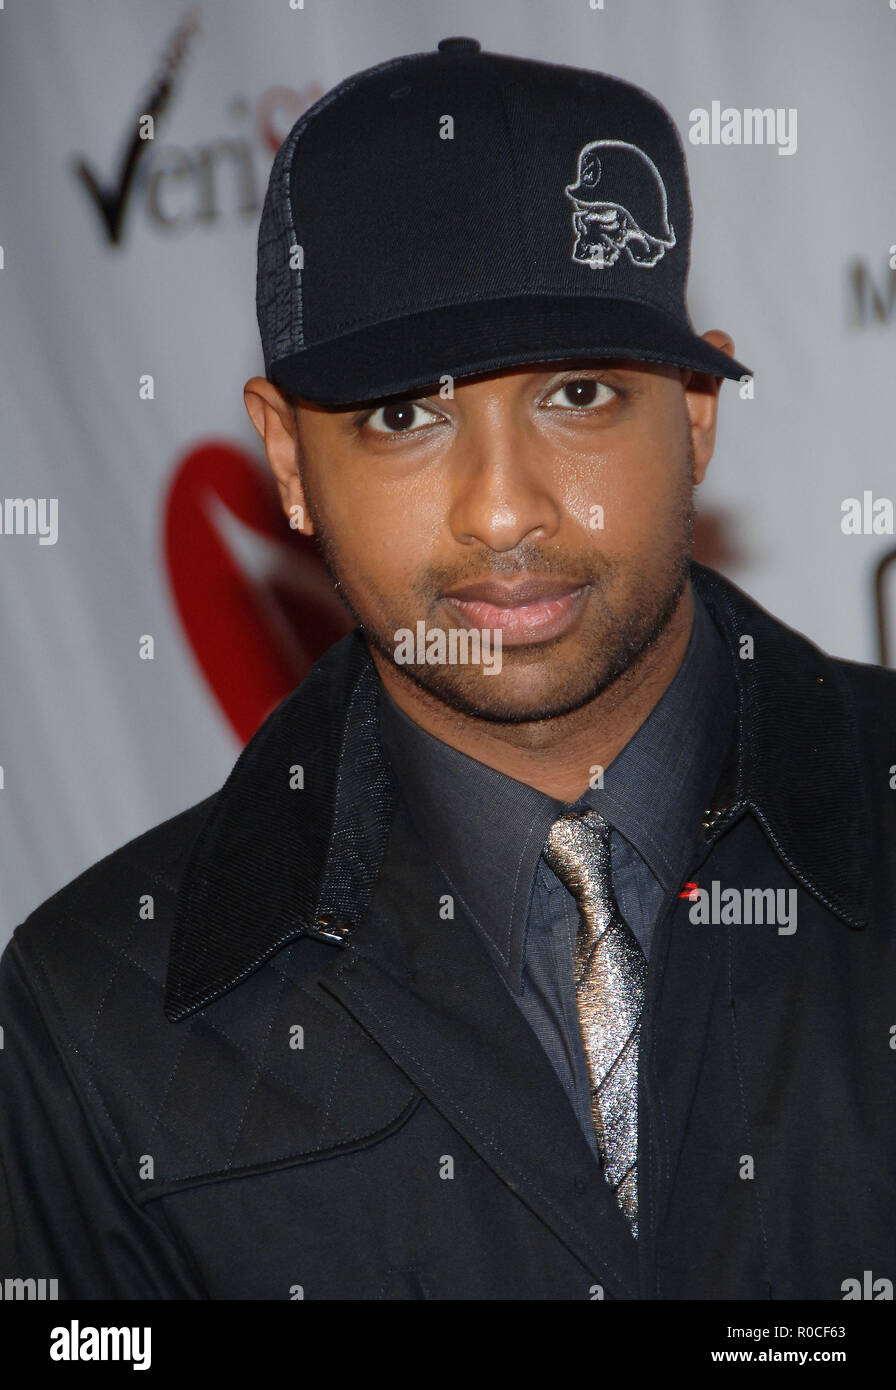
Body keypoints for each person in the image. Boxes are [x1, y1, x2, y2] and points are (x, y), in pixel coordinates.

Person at [1, 36, 894, 1302]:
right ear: (287, 459)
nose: (502, 509)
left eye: (576, 393)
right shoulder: (96, 1009)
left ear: (694, 413)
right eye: (402, 415)